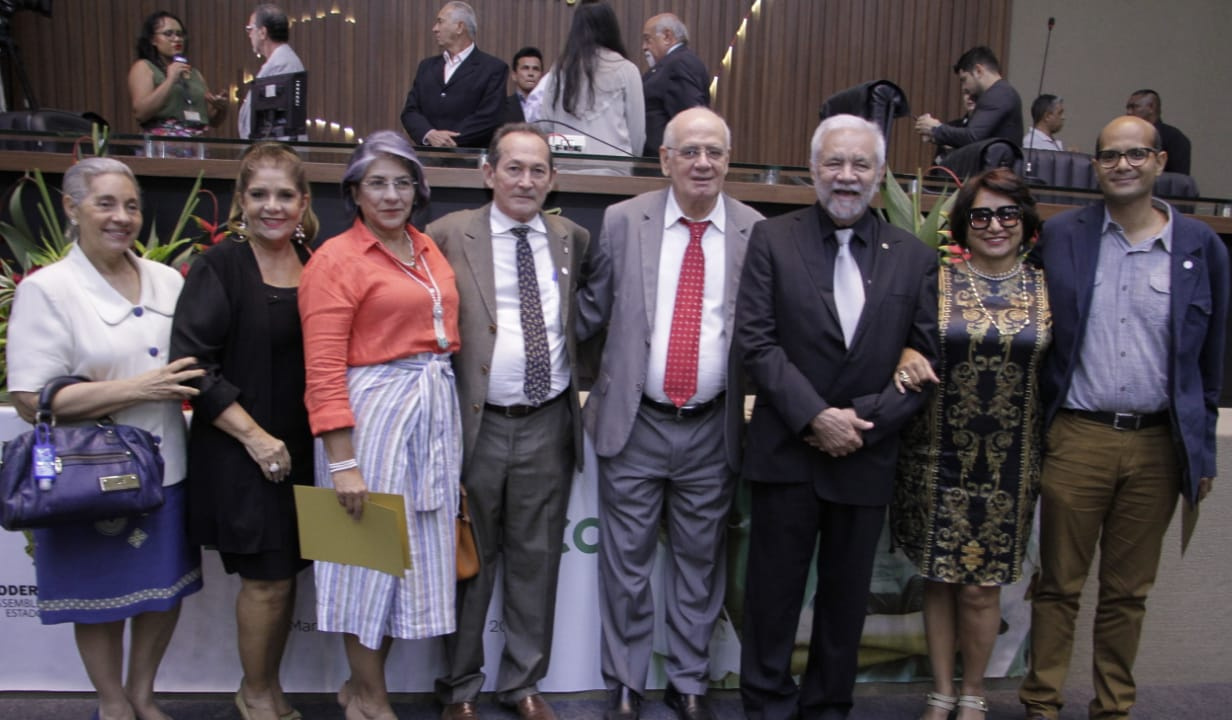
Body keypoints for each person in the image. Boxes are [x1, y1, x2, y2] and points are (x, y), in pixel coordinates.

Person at [1019, 115, 1228, 720]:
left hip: (1159, 446)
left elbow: (1209, 364)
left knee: (1128, 592)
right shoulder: (1063, 238)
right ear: (1096, 166)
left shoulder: (1199, 248)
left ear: (1160, 161)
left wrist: (1203, 452)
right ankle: (1041, 703)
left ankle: (1113, 708)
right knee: (1057, 585)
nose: (1123, 165)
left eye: (1136, 154)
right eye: (1110, 155)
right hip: (1077, 436)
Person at [735, 114, 939, 720]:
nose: (846, 177)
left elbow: (926, 358)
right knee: (771, 599)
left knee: (847, 602)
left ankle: (827, 707)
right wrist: (816, 417)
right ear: (812, 168)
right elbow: (757, 343)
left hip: (866, 454)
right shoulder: (774, 239)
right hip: (788, 452)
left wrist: (860, 420)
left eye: (860, 165)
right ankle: (766, 705)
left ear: (880, 175)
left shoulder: (913, 257)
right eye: (834, 163)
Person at [576, 107, 763, 720]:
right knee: (625, 566)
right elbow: (591, 315)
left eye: (713, 151)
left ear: (728, 160)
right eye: (689, 151)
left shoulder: (756, 230)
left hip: (712, 425)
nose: (702, 163)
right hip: (635, 422)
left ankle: (689, 682)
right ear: (664, 159)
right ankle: (626, 683)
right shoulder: (622, 221)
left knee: (699, 565)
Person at [6, 157, 205, 720]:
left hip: (166, 467)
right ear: (72, 208)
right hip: (86, 479)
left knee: (162, 591)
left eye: (132, 205)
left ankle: (143, 695)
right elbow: (30, 400)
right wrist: (142, 386)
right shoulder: (48, 290)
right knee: (98, 601)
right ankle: (112, 703)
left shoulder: (167, 280)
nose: (122, 217)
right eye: (106, 203)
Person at [299, 131, 462, 720]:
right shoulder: (335, 259)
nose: (392, 195)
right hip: (368, 416)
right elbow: (321, 370)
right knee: (363, 561)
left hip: (428, 410)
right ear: (354, 191)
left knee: (402, 566)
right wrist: (343, 463)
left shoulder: (426, 248)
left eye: (403, 182)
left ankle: (361, 686)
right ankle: (369, 697)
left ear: (418, 189)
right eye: (377, 183)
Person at [430, 123, 589, 720]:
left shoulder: (572, 238)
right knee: (470, 559)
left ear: (553, 178)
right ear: (488, 171)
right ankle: (460, 688)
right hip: (477, 425)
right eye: (514, 168)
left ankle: (522, 682)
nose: (526, 180)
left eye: (538, 170)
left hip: (548, 423)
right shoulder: (447, 235)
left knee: (538, 558)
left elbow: (586, 327)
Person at [891, 168, 1051, 720]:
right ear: (962, 224)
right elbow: (899, 343)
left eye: (1007, 214)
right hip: (937, 458)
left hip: (1012, 464)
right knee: (939, 577)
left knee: (983, 586)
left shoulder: (1049, 286)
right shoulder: (933, 282)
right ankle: (940, 691)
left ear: (1026, 222)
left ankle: (974, 692)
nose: (994, 225)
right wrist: (903, 356)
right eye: (980, 215)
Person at [170, 143, 318, 720]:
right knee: (267, 582)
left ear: (303, 202)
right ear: (241, 201)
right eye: (259, 195)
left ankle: (268, 689)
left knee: (286, 580)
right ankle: (255, 696)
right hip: (243, 451)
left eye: (285, 195)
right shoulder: (219, 265)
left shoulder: (318, 259)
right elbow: (193, 368)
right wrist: (256, 438)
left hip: (301, 451)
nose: (272, 206)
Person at [537, 1, 645, 159]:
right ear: (611, 27)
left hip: (566, 168)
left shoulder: (558, 69)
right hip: (616, 170)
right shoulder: (627, 70)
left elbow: (546, 126)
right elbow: (637, 134)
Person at [400, 2, 508, 149]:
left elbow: (490, 117)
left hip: (469, 159)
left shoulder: (492, 68)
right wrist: (429, 134)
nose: (434, 29)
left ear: (459, 27)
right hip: (428, 157)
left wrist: (448, 139)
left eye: (440, 22)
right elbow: (410, 111)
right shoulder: (426, 67)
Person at [127, 10, 227, 136]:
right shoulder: (144, 67)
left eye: (180, 34)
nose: (176, 39)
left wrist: (221, 108)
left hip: (196, 144)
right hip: (161, 146)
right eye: (169, 34)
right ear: (153, 40)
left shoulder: (195, 74)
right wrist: (170, 80)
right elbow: (140, 113)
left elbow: (213, 121)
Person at [915, 46, 1023, 152]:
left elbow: (972, 137)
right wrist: (937, 135)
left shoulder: (999, 94)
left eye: (964, 79)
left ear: (978, 71)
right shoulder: (1001, 93)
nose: (963, 87)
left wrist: (936, 129)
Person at [640, 13, 710, 156]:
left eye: (648, 39)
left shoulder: (679, 64)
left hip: (666, 167)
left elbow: (691, 120)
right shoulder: (673, 63)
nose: (644, 47)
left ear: (667, 36)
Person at [237, 4, 307, 141]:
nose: (249, 35)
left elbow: (271, 125)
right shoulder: (278, 62)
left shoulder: (282, 65)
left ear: (262, 32)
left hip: (275, 155)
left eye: (250, 29)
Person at [1125, 89, 1192, 175]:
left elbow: (1178, 180)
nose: (1128, 112)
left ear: (1151, 107)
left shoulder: (1174, 139)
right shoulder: (1125, 136)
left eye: (1134, 107)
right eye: (1128, 108)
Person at [504, 47, 544, 124]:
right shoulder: (502, 107)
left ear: (542, 76)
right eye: (525, 68)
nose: (531, 73)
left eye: (536, 69)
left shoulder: (549, 107)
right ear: (514, 75)